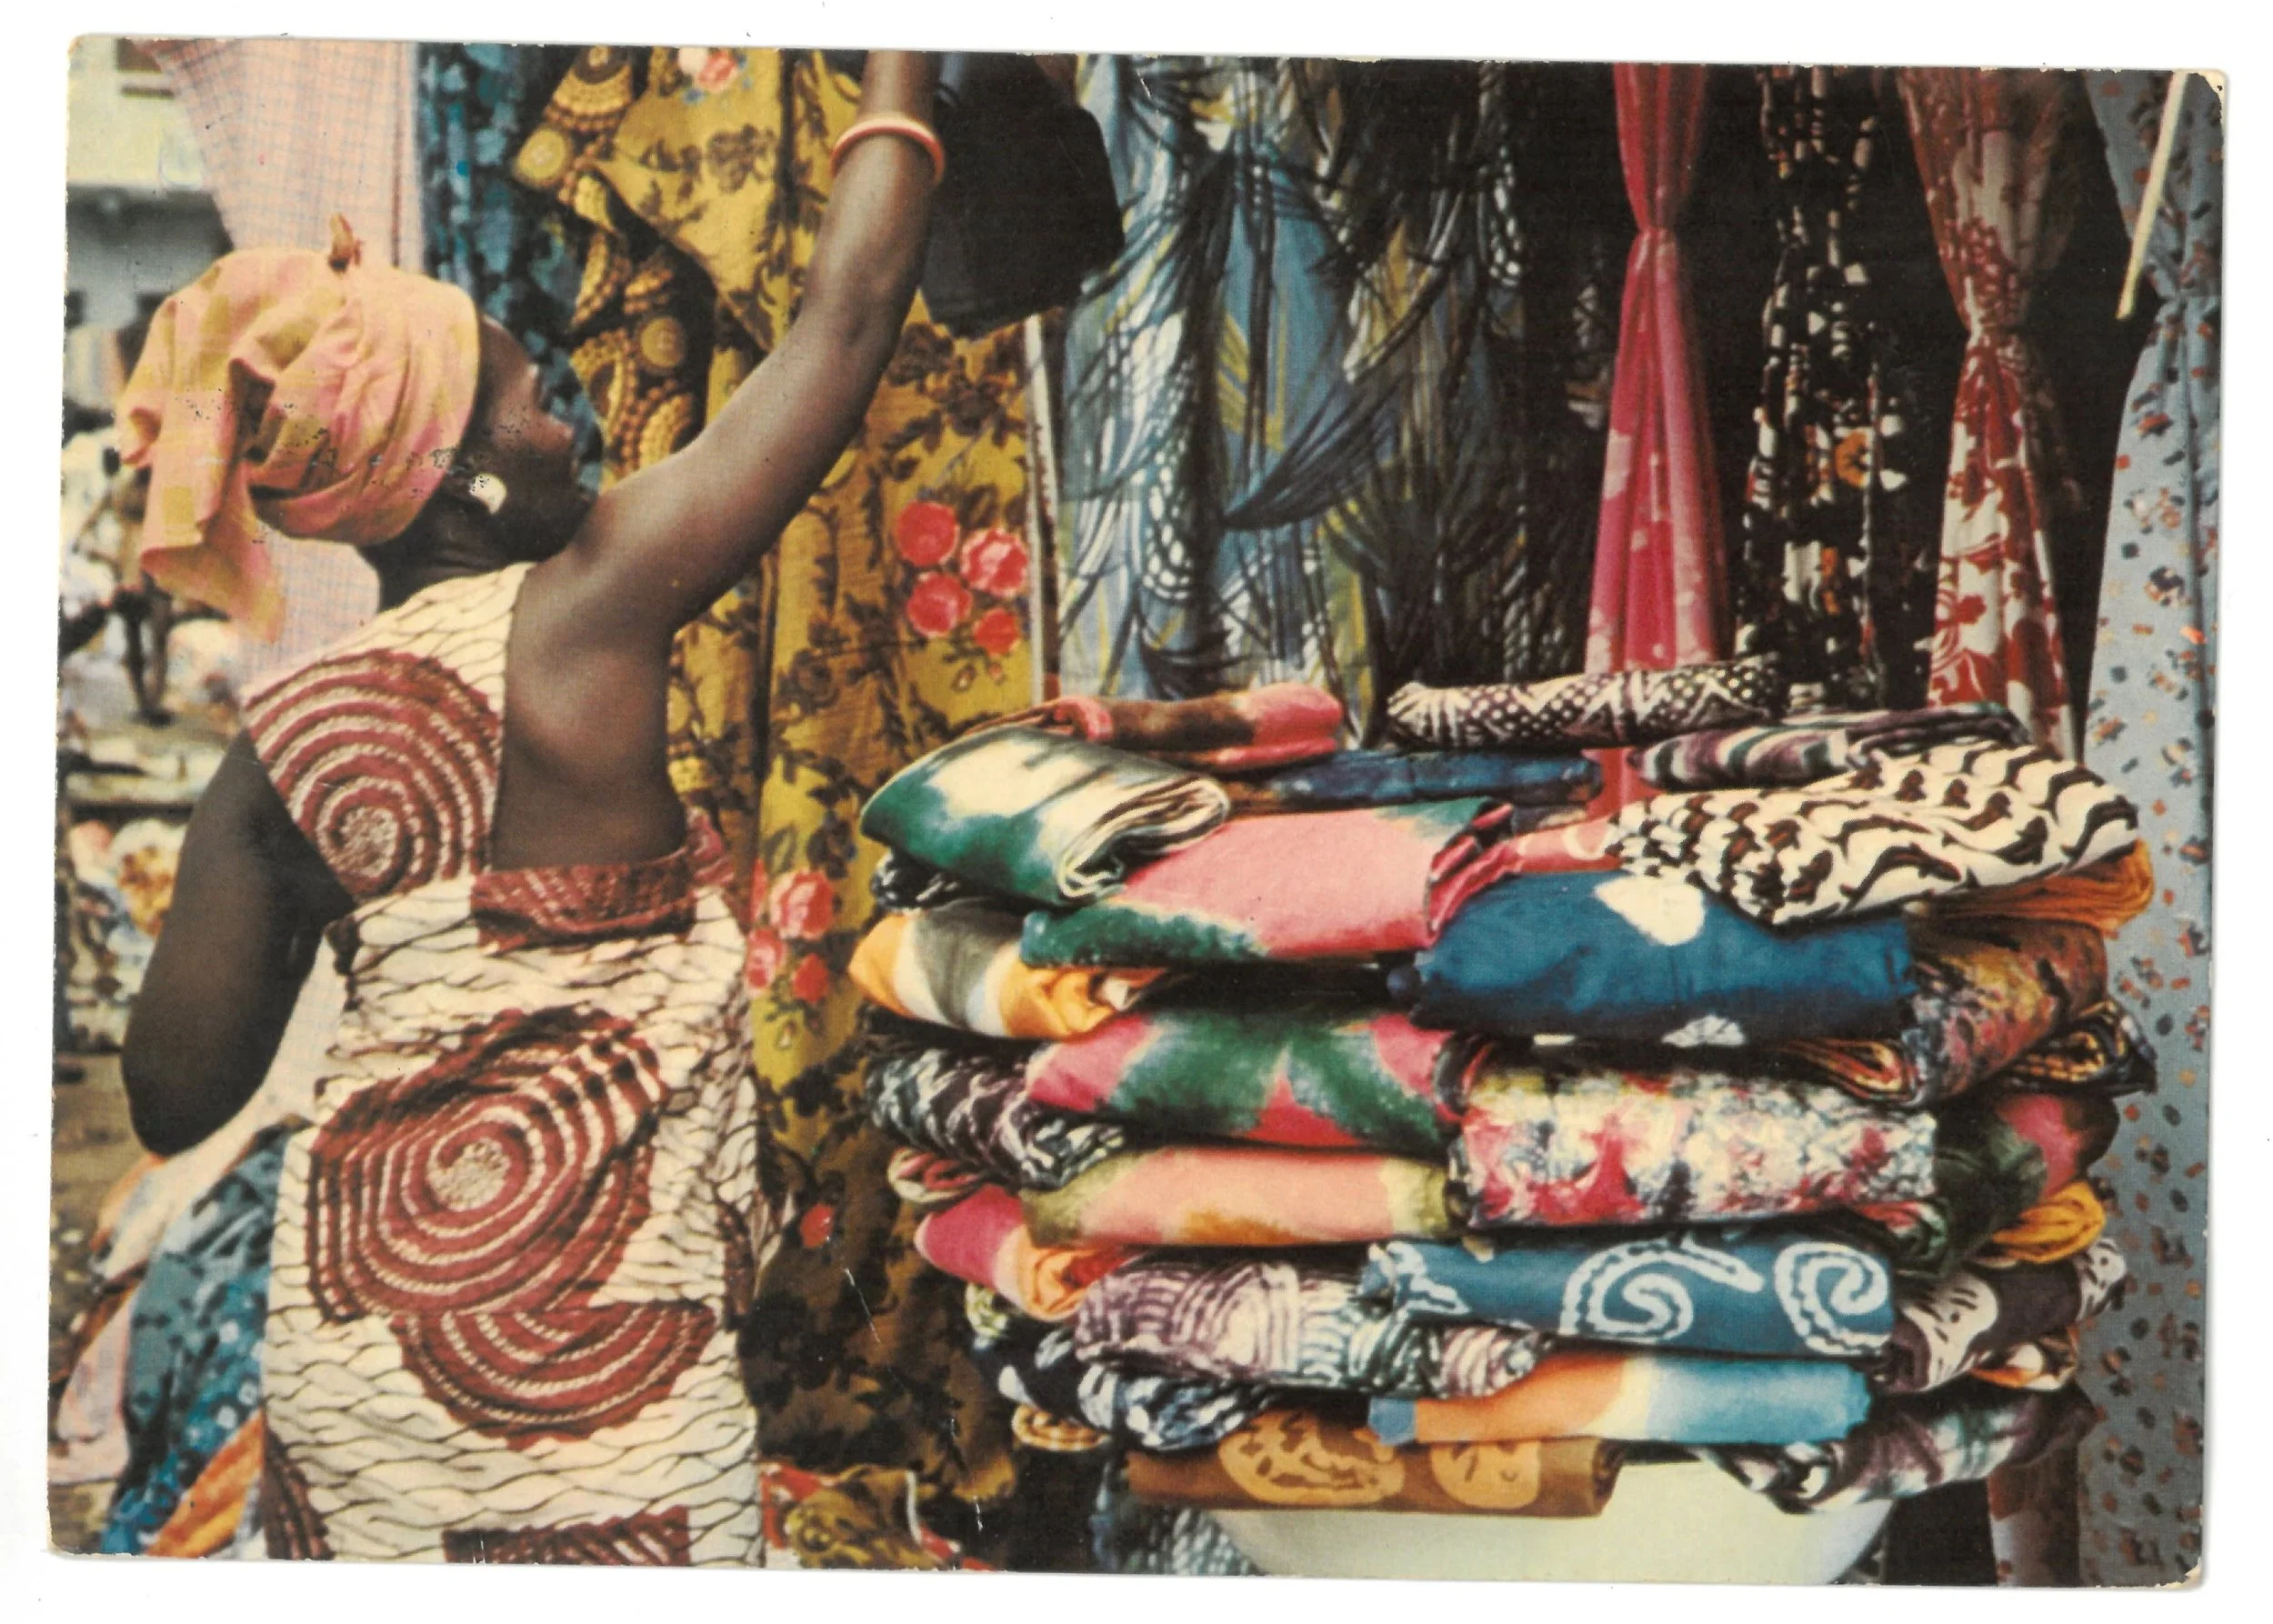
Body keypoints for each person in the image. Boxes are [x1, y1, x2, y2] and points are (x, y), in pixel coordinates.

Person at [113, 51, 946, 1565]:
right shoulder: (589, 609)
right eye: (529, 401)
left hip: (356, 1359)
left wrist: (370, 908)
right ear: (459, 488)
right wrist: (901, 49)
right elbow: (849, 316)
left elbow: (173, 1093)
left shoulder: (280, 749)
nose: (571, 419)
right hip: (607, 1372)